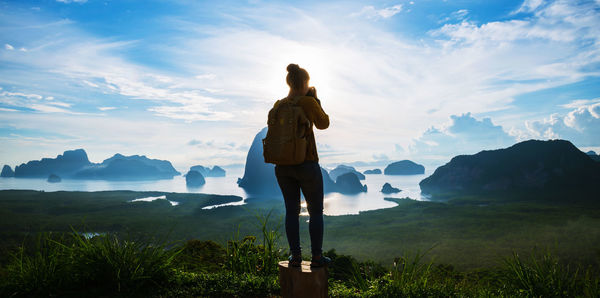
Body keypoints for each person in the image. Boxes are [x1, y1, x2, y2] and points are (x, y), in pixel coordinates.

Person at [273, 63, 331, 268]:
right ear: (305, 83)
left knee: (291, 211)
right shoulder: (308, 102)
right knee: (315, 212)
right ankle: (316, 257)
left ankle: (295, 257)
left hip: (282, 167)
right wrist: (316, 101)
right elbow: (324, 123)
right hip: (307, 164)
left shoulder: (279, 104)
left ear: (289, 82)